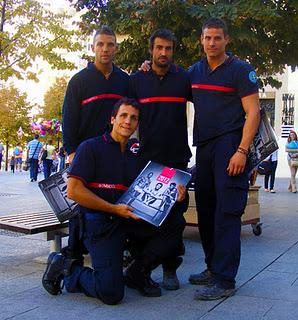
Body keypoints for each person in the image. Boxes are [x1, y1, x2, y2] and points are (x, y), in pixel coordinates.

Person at [42, 98, 186, 304]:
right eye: (123, 116)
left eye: (134, 118)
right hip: (99, 223)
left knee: (175, 223)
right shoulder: (90, 148)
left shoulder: (137, 157)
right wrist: (112, 209)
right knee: (111, 293)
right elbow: (74, 191)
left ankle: (137, 272)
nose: (128, 121)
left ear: (137, 124)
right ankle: (67, 269)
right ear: (112, 119)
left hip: (126, 219)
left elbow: (151, 194)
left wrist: (175, 197)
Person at [188, 18, 260, 300]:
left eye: (217, 38)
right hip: (204, 147)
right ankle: (211, 266)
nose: (212, 43)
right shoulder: (195, 72)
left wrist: (241, 150)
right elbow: (168, 82)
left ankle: (224, 279)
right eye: (207, 38)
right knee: (205, 210)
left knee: (227, 213)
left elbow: (253, 113)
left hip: (230, 146)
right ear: (201, 40)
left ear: (227, 40)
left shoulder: (241, 71)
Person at [130, 28, 192, 290]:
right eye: (159, 48)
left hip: (176, 161)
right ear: (151, 50)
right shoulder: (137, 80)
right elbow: (127, 116)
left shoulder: (184, 79)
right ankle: (142, 268)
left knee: (175, 217)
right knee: (145, 217)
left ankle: (170, 268)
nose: (163, 52)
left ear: (172, 51)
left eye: (168, 48)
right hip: (147, 162)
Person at [61, 26, 130, 261]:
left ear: (116, 48)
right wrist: (71, 151)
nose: (105, 49)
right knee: (79, 205)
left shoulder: (124, 80)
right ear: (92, 47)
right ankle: (73, 255)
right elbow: (69, 119)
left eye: (110, 44)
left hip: (113, 153)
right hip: (85, 153)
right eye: (100, 44)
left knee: (110, 200)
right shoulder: (79, 81)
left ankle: (113, 246)